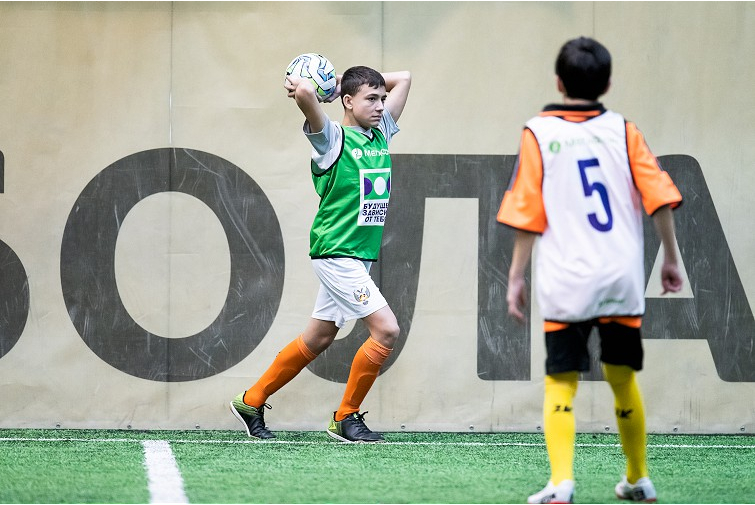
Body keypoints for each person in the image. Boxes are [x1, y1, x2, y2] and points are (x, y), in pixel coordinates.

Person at [497, 37, 682, 503]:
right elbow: (660, 197)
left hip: (567, 279)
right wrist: (671, 258)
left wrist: (516, 277)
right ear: (609, 84)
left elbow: (527, 212)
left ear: (558, 82)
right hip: (620, 276)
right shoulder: (625, 130)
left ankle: (561, 484)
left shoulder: (538, 132)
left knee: (561, 380)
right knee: (623, 378)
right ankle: (638, 478)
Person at [229, 64, 411, 443]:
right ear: (347, 102)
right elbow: (305, 94)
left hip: (357, 256)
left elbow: (404, 77)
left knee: (319, 338)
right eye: (371, 99)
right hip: (337, 253)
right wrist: (318, 86)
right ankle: (345, 417)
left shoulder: (380, 133)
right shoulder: (332, 139)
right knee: (386, 330)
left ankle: (251, 401)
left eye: (382, 98)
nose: (380, 105)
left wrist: (342, 81)